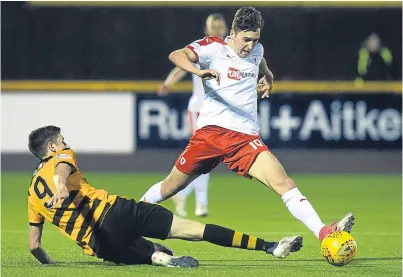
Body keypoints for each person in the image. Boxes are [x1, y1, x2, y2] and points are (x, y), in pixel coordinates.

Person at [140, 7, 355, 243]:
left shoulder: (256, 50)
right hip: (210, 135)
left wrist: (268, 75)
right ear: (232, 33)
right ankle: (130, 217)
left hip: (244, 139)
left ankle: (324, 233)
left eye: (255, 40)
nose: (250, 46)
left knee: (283, 182)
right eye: (246, 40)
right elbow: (176, 55)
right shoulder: (212, 48)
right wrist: (198, 71)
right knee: (170, 187)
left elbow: (259, 60)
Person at [27, 126, 303, 267]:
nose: (66, 143)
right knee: (195, 230)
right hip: (116, 213)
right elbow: (62, 168)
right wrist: (61, 185)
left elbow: (34, 246)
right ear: (52, 146)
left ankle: (158, 258)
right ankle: (268, 246)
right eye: (62, 140)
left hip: (100, 246)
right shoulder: (61, 157)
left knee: (154, 252)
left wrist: (50, 264)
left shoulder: (31, 194)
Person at [157, 13, 227, 218]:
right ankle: (201, 203)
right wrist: (168, 84)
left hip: (218, 112)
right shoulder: (202, 49)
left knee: (211, 156)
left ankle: (183, 192)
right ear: (206, 29)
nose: (216, 30)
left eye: (220, 26)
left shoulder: (229, 51)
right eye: (213, 26)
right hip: (199, 110)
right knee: (205, 153)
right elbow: (181, 67)